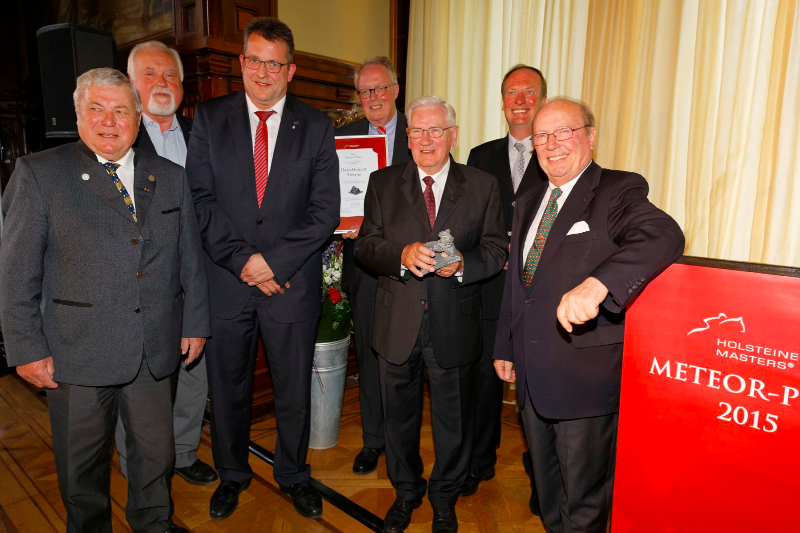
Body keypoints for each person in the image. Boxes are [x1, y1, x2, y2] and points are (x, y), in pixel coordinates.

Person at [0, 67, 210, 533]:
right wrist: (27, 348)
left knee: (155, 460)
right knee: (82, 475)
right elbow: (16, 274)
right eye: (96, 109)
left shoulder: (171, 176)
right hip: (76, 353)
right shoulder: (40, 174)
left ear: (137, 117)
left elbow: (189, 258)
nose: (109, 121)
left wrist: (195, 322)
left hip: (154, 351)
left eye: (120, 110)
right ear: (78, 114)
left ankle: (154, 524)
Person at [494, 97, 685, 533]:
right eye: (542, 135)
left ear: (590, 136)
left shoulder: (617, 189)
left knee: (584, 507)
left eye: (564, 131)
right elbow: (517, 285)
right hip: (530, 372)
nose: (552, 143)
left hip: (583, 377)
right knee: (548, 498)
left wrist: (599, 283)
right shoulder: (528, 200)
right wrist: (506, 344)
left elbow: (664, 234)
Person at [185, 16, 339, 521]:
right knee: (228, 389)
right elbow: (201, 202)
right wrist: (245, 261)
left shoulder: (316, 126)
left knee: (293, 389)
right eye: (255, 60)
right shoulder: (208, 119)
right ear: (242, 64)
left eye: (275, 63)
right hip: (228, 285)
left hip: (289, 286)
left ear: (291, 70)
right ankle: (231, 474)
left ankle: (294, 474)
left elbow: (324, 213)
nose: (264, 72)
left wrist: (271, 263)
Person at [355, 96, 506, 533]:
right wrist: (400, 254)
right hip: (396, 322)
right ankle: (406, 493)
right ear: (407, 137)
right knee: (397, 419)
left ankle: (444, 498)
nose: (426, 140)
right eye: (417, 131)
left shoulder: (481, 185)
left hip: (454, 323)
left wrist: (464, 264)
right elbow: (365, 245)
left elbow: (496, 249)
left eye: (435, 130)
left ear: (453, 135)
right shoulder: (383, 183)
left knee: (453, 422)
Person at [111, 40, 218, 488]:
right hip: (140, 283)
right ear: (131, 85)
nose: (161, 83)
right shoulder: (116, 137)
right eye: (150, 74)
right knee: (136, 379)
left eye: (170, 75)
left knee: (195, 371)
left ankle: (183, 451)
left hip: (200, 276)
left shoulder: (204, 133)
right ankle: (138, 464)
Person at [463, 64, 548, 508]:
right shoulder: (480, 155)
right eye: (511, 92)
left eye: (529, 92)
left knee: (536, 386)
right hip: (491, 288)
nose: (520, 100)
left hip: (542, 292)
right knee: (484, 380)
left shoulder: (556, 152)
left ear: (542, 100)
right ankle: (480, 461)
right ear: (502, 102)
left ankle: (541, 476)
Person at [334, 56, 411, 475]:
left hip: (407, 266)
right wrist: (339, 221)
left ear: (396, 91)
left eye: (380, 88)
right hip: (362, 265)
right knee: (367, 356)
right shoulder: (343, 139)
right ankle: (372, 440)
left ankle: (403, 442)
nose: (373, 97)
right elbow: (330, 196)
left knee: (403, 359)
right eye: (365, 91)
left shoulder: (417, 135)